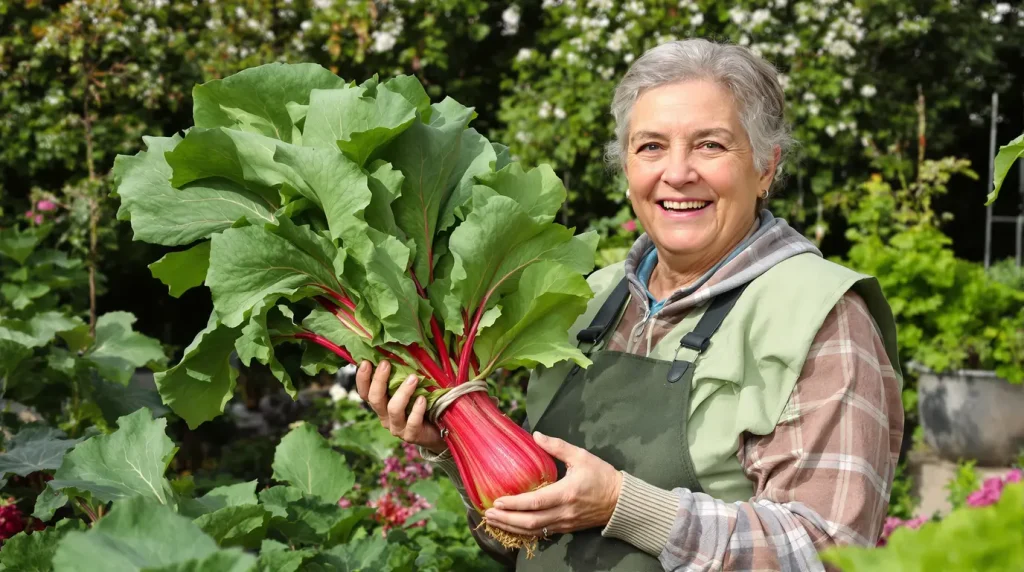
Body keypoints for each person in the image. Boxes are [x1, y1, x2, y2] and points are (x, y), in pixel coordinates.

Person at [355, 38, 904, 571]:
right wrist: (452, 443)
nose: (677, 172)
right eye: (651, 146)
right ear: (626, 170)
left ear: (765, 168)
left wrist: (627, 506)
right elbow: (519, 547)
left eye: (711, 144)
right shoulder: (582, 300)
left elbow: (828, 553)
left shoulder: (819, 314)